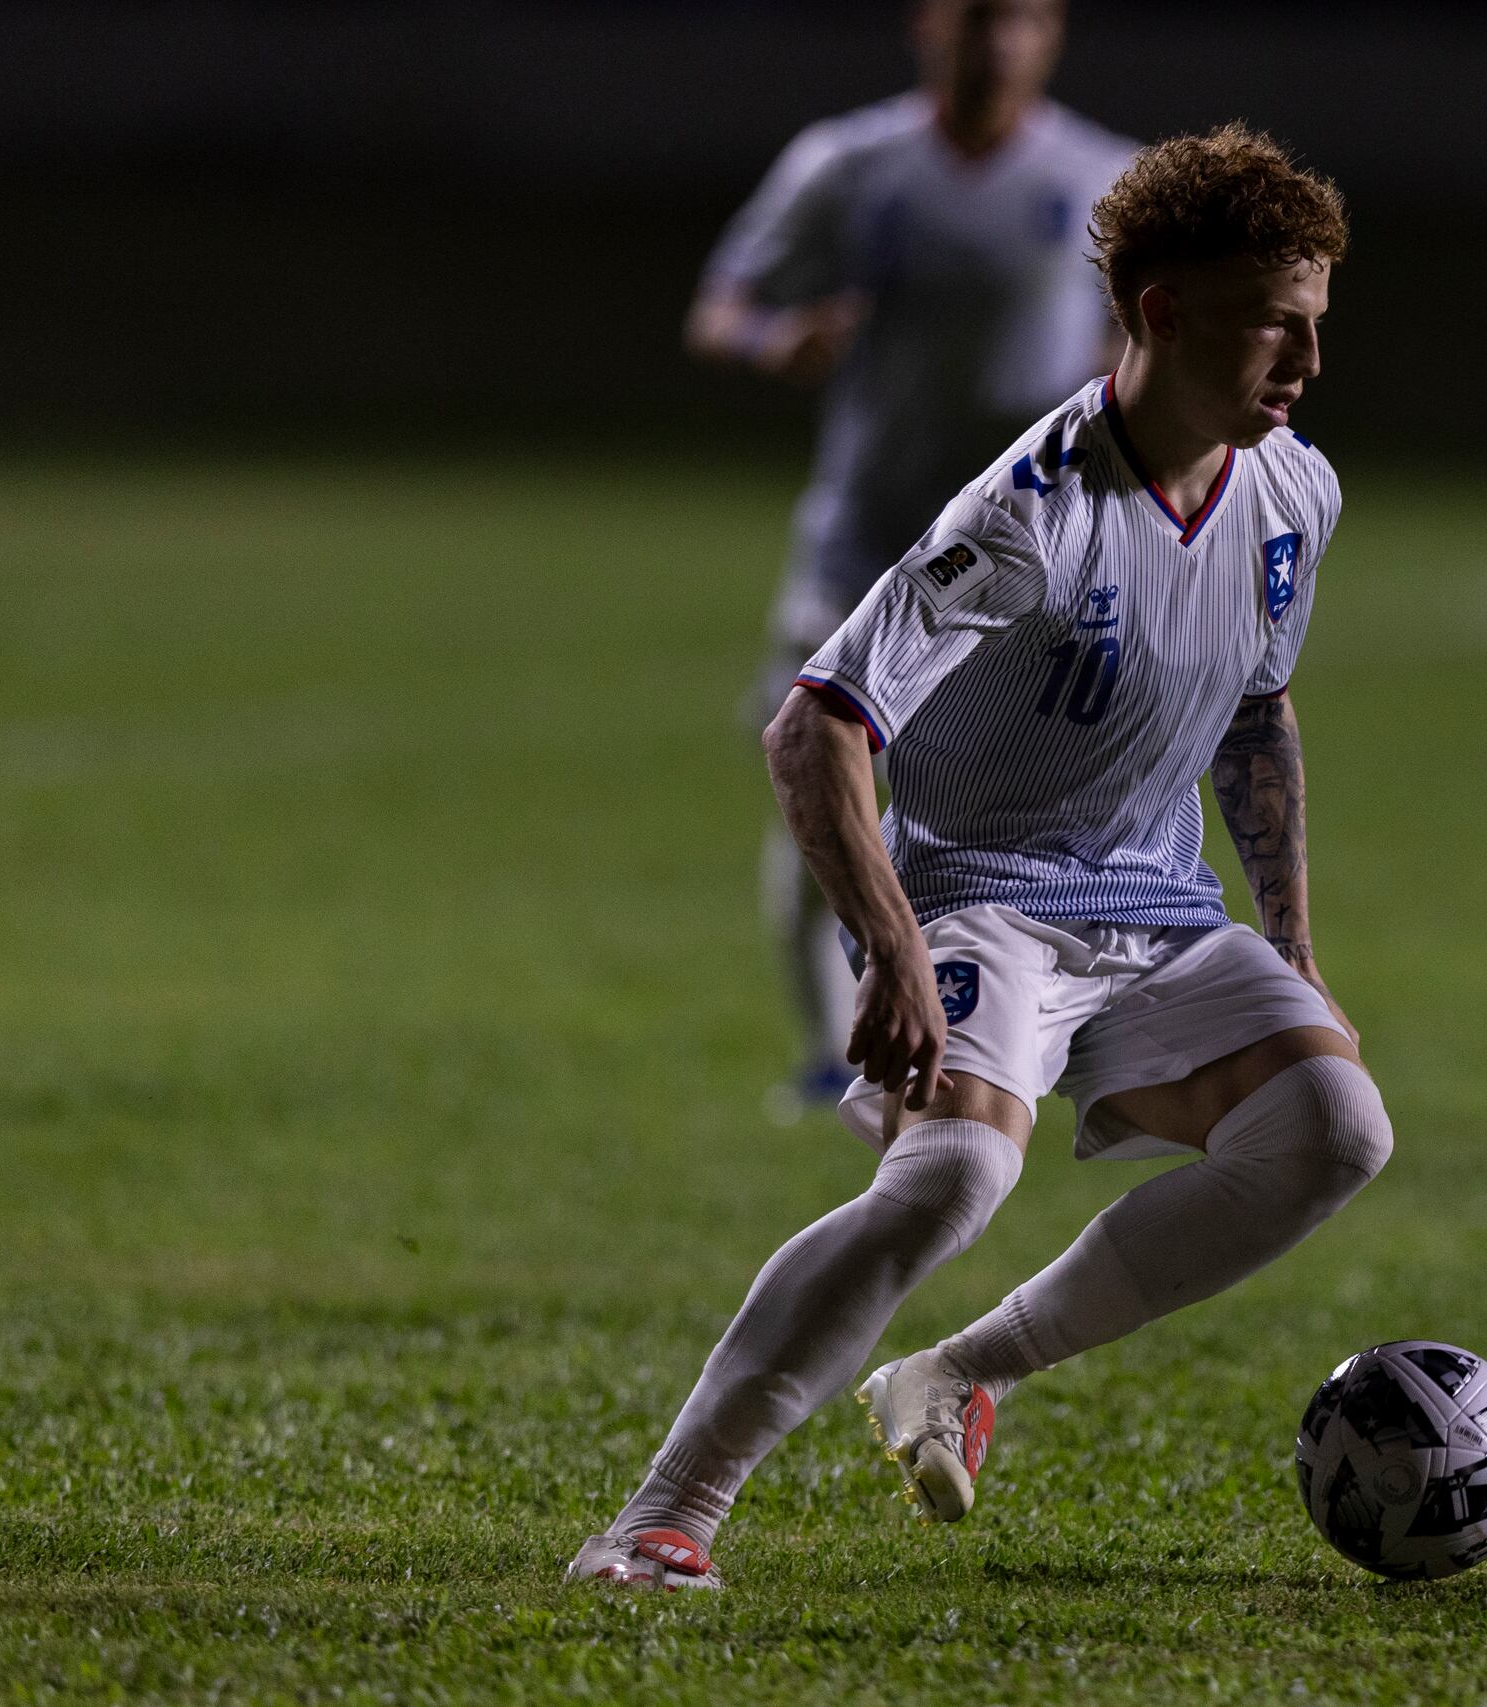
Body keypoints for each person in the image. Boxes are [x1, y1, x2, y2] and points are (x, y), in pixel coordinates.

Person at [577, 126, 1376, 1592]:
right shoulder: (1027, 515)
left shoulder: (1290, 496)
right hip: (980, 893)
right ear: (1162, 316)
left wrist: (1294, 941)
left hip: (1153, 906)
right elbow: (814, 724)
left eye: (1319, 324)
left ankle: (953, 1370)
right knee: (945, 1181)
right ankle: (659, 1517)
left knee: (1336, 1126)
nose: (1309, 363)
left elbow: (1257, 711)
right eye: (1280, 324)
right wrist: (882, 948)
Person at [685, 0, 1136, 1117]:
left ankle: (1056, 1051)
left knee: (1053, 818)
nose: (995, 40)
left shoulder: (1100, 177)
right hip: (864, 550)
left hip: (1033, 565)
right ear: (929, 27)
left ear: (1052, 34)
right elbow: (723, 306)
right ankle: (826, 1056)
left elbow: (1144, 338)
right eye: (975, 17)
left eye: (1019, 17)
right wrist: (771, 341)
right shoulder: (849, 164)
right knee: (819, 796)